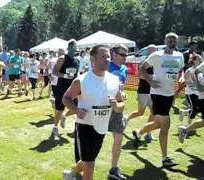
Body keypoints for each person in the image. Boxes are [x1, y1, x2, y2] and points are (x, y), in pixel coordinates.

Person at [62, 45, 124, 180]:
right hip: (85, 126)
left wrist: (116, 105)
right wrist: (77, 110)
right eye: (103, 56)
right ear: (93, 59)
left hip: (101, 127)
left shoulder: (114, 80)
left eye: (108, 56)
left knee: (87, 160)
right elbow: (66, 98)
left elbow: (121, 105)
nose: (107, 59)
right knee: (90, 164)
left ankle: (71, 174)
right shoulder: (82, 80)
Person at [132, 32, 184, 168]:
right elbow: (141, 69)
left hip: (169, 94)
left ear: (176, 42)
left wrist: (181, 78)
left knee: (158, 123)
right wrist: (150, 81)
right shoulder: (156, 55)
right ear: (165, 41)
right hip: (158, 94)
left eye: (174, 39)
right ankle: (165, 158)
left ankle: (138, 133)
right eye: (169, 39)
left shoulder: (180, 56)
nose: (172, 41)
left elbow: (180, 71)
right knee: (165, 125)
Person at [127, 44, 157, 141]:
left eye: (154, 50)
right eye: (151, 50)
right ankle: (126, 119)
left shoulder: (157, 63)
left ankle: (148, 133)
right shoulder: (144, 62)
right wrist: (152, 78)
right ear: (148, 51)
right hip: (143, 91)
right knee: (140, 112)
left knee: (154, 112)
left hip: (153, 92)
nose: (153, 52)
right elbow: (140, 76)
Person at [107, 44, 129, 180]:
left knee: (119, 137)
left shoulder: (124, 68)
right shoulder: (106, 65)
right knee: (95, 140)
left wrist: (122, 92)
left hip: (117, 108)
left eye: (126, 55)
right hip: (103, 107)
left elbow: (121, 87)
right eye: (123, 55)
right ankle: (80, 167)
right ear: (113, 54)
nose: (125, 58)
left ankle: (114, 169)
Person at [52, 40, 79, 137]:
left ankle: (65, 116)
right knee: (59, 109)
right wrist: (64, 76)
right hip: (62, 87)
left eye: (75, 46)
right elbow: (54, 71)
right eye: (73, 46)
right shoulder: (62, 58)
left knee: (76, 108)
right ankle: (55, 127)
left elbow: (77, 75)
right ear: (69, 47)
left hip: (73, 89)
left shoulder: (77, 60)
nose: (74, 48)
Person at [179, 53, 204, 143]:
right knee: (194, 109)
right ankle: (187, 126)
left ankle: (184, 113)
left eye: (201, 58)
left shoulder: (200, 68)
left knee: (197, 110)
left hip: (198, 93)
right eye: (198, 59)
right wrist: (196, 84)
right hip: (191, 92)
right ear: (193, 61)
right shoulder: (190, 70)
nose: (200, 59)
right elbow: (185, 81)